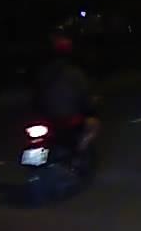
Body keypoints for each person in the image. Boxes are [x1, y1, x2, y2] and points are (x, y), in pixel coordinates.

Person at [33, 32, 100, 162]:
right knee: (94, 125)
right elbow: (84, 96)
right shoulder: (75, 73)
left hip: (47, 119)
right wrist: (90, 108)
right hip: (68, 119)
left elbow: (36, 96)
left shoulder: (43, 73)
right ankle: (79, 152)